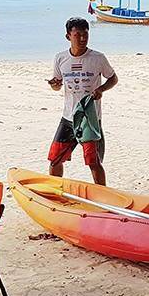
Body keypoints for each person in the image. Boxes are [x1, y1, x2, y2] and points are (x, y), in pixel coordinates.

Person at [47, 17, 117, 185]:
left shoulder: (98, 58)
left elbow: (113, 78)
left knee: (94, 162)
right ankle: (54, 191)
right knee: (55, 159)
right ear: (68, 37)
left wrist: (101, 89)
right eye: (77, 34)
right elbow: (57, 85)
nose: (82, 38)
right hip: (68, 118)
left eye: (85, 34)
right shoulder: (60, 58)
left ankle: (102, 195)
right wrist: (55, 85)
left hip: (89, 118)